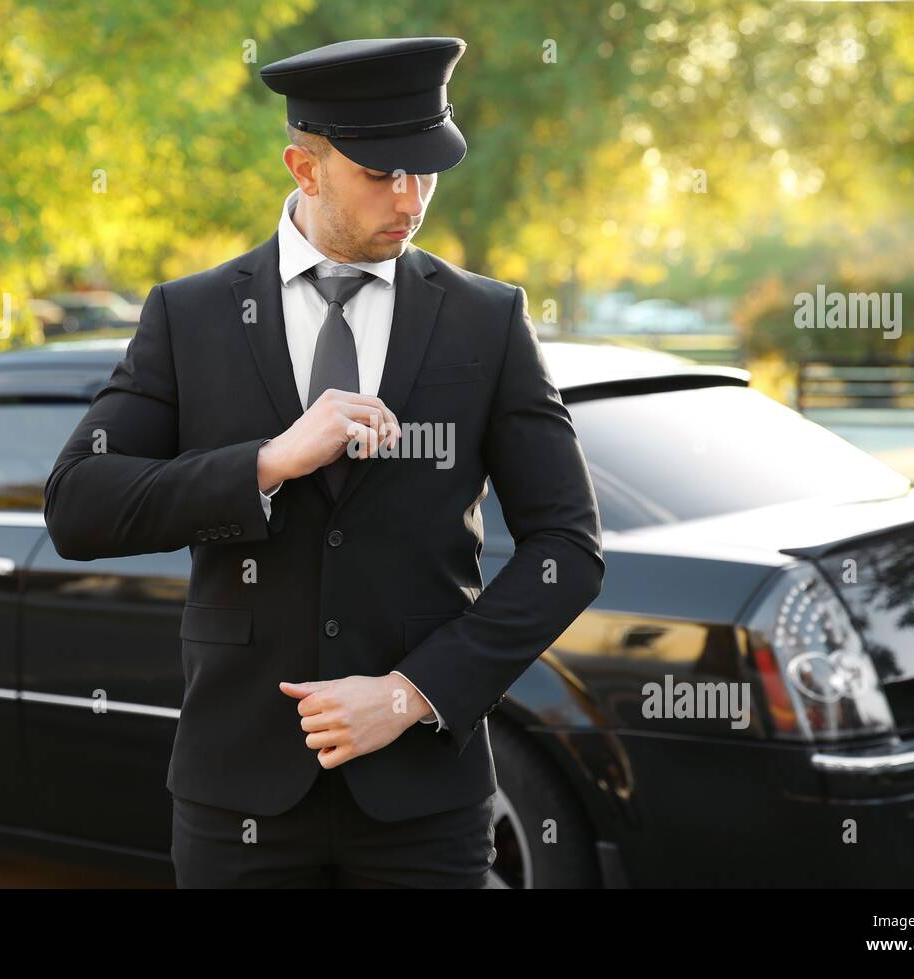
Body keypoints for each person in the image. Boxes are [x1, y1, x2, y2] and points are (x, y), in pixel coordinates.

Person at [43, 36, 604, 888]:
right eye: (383, 173)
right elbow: (78, 506)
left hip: (426, 804)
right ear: (304, 168)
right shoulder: (186, 316)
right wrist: (266, 462)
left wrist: (412, 694)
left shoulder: (487, 321)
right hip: (238, 805)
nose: (412, 198)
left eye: (427, 170)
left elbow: (568, 548)